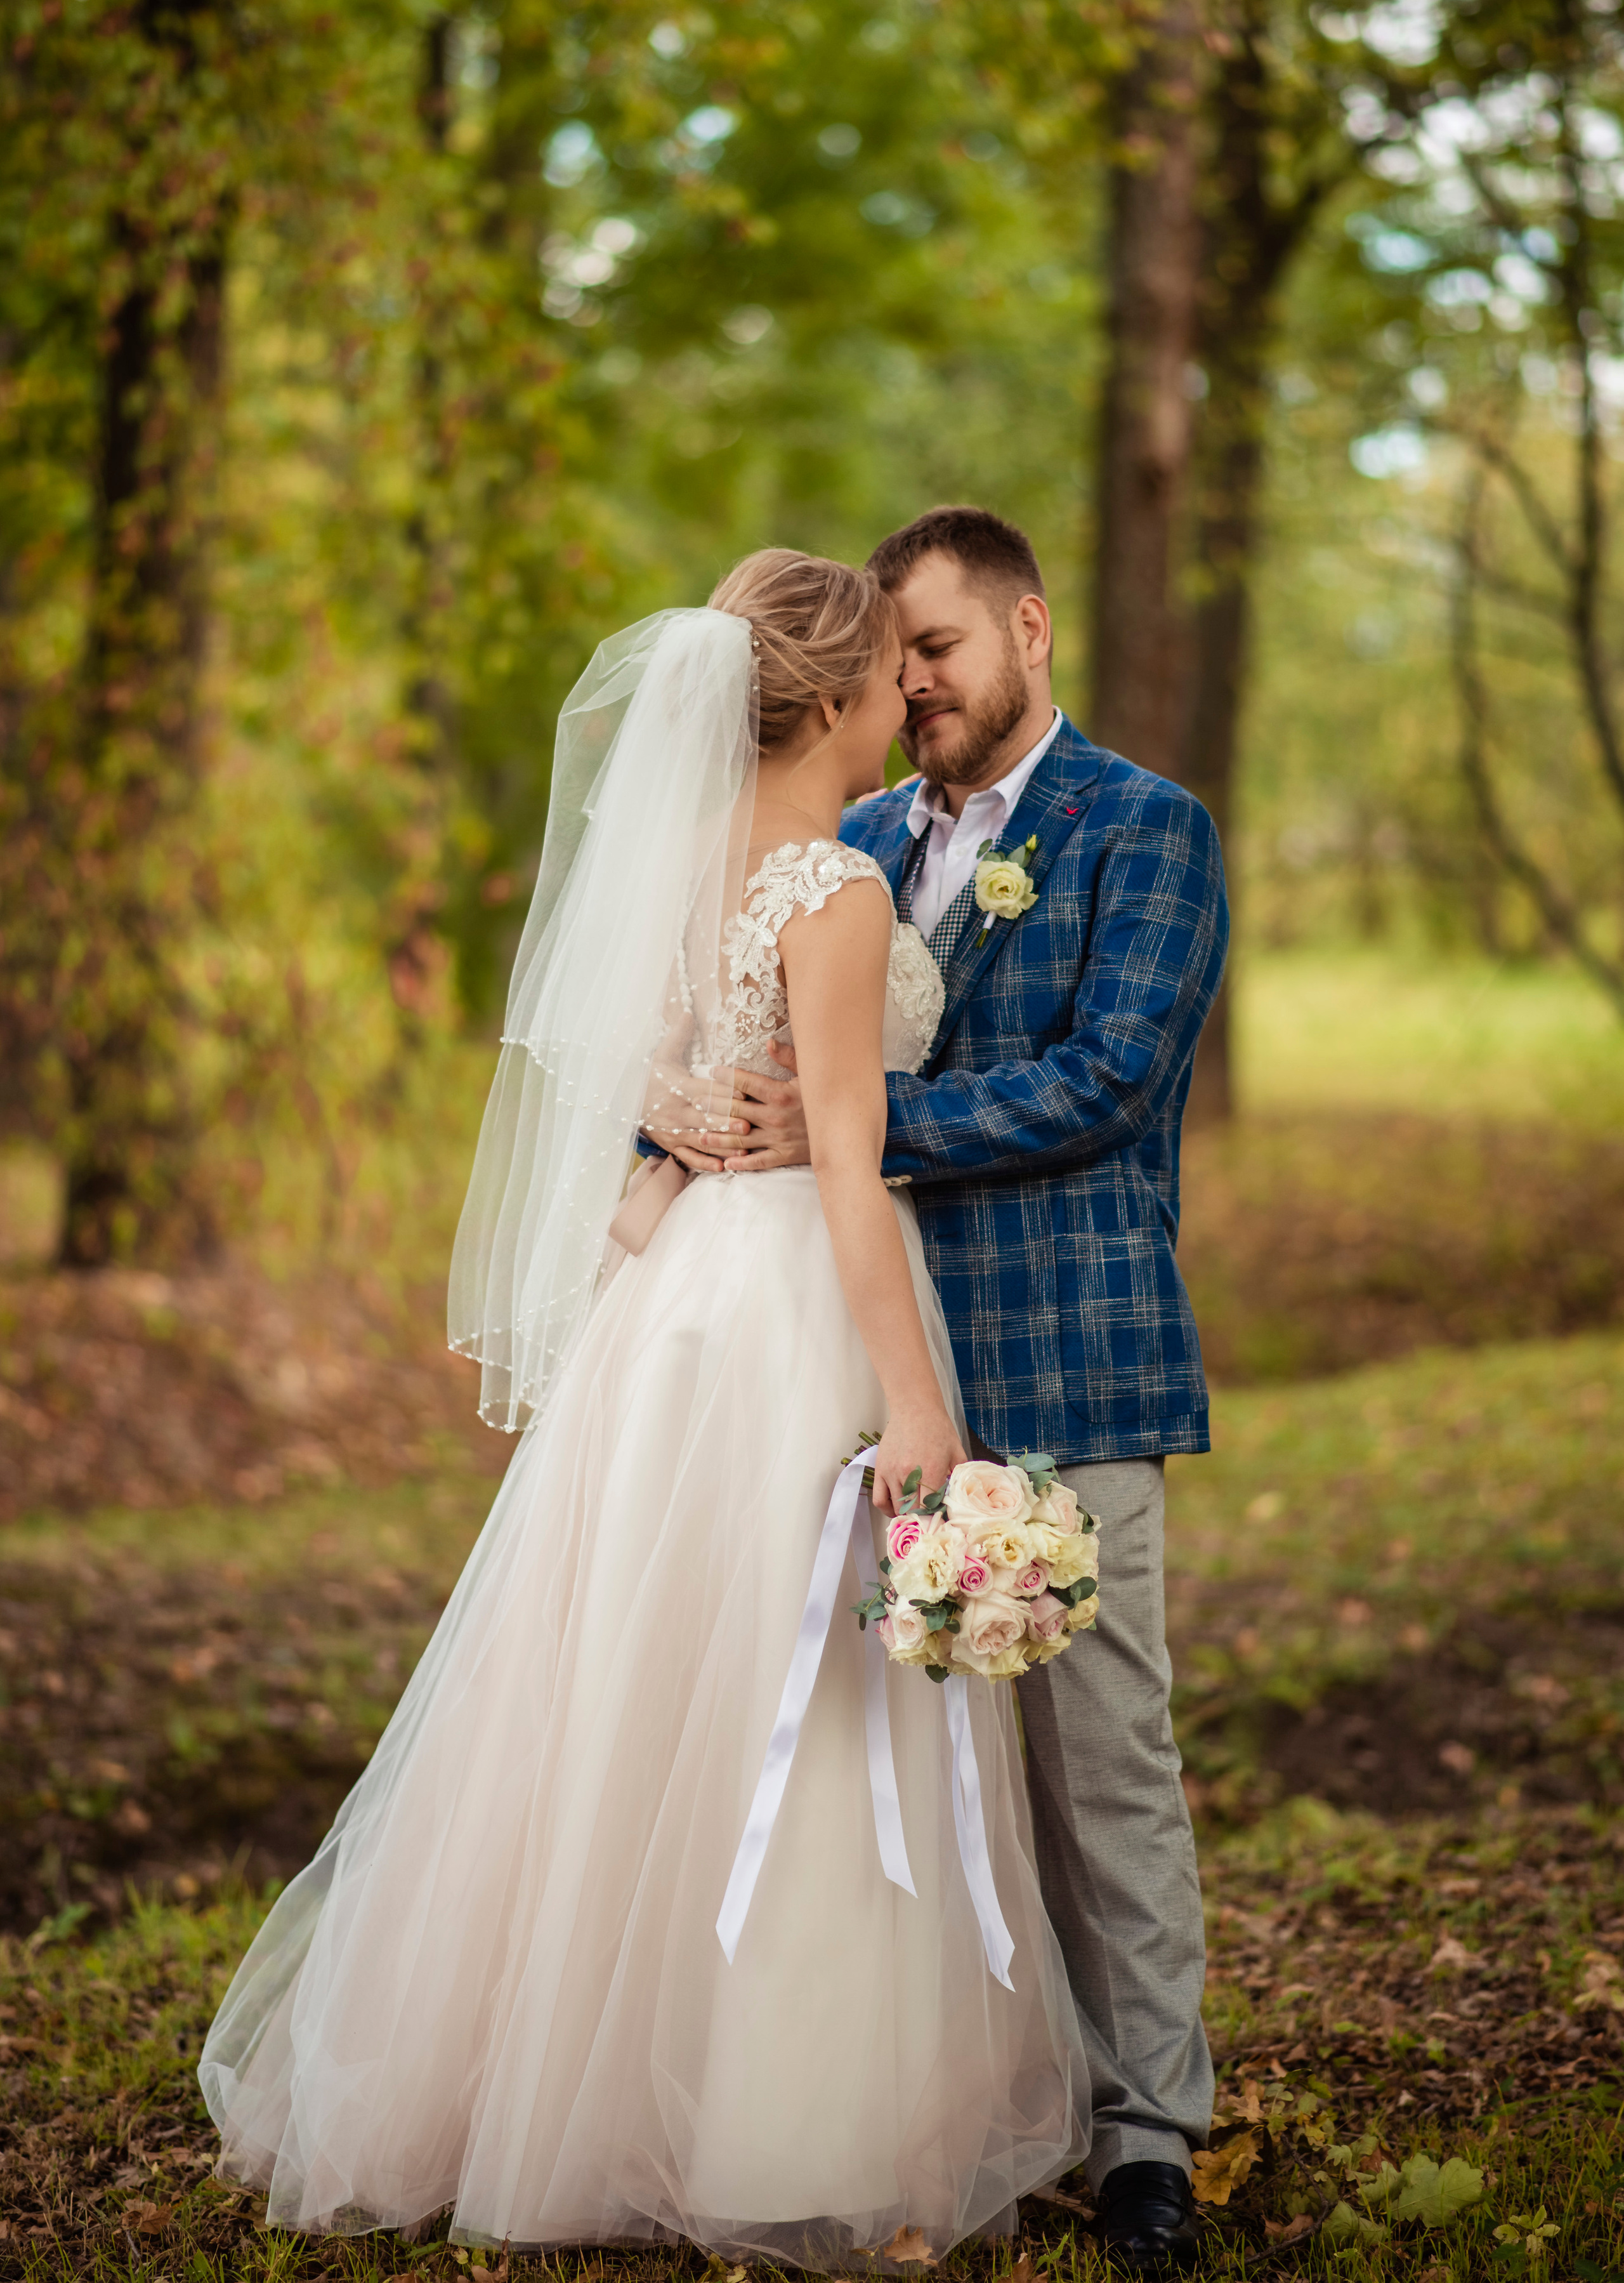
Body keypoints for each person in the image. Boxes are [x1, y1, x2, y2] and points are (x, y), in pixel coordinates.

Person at [197, 550, 1091, 2266]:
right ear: (829, 701)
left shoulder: (675, 873)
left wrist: (634, 1262)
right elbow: (844, 1163)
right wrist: (917, 1408)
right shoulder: (828, 890)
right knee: (789, 1696)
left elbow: (638, 1140)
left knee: (635, 1686)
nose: (911, 696)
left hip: (669, 1310)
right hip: (783, 1315)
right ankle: (775, 2117)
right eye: (885, 678)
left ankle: (563, 2085)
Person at [643, 506, 1229, 2272]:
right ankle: (978, 2101)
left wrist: (852, 1125)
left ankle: (1147, 2141)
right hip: (849, 1373)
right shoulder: (852, 830)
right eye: (892, 659)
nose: (909, 689)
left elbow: (1109, 1080)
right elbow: (746, 1055)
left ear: (1032, 628)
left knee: (1095, 1763)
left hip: (1061, 1358)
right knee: (875, 1772)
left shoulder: (1145, 828)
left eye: (940, 651)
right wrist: (684, 1122)